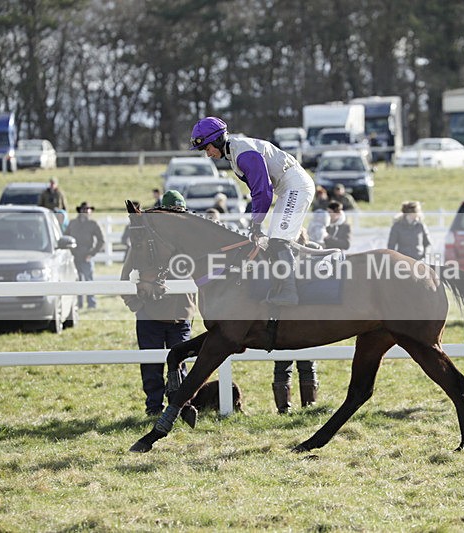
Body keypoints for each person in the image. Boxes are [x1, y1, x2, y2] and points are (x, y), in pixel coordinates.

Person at [189, 116, 315, 306]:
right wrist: (255, 222)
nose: (208, 154)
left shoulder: (243, 154)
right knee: (275, 241)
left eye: (207, 148)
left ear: (217, 140)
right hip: (288, 188)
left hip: (295, 186)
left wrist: (256, 224)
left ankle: (289, 293)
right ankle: (288, 283)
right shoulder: (233, 152)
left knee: (278, 240)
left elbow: (263, 191)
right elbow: (259, 192)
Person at [121, 191, 198, 419]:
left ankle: (179, 406)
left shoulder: (192, 244)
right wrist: (135, 304)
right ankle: (154, 408)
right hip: (150, 316)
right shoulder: (145, 243)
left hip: (181, 314)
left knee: (180, 366)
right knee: (152, 366)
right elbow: (125, 276)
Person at [271, 228, 321, 413]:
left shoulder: (311, 251)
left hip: (297, 314)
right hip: (289, 315)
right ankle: (291, 407)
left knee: (299, 363)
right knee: (287, 363)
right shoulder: (277, 255)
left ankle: (301, 406)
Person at [66, 201, 105, 309]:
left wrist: (92, 254)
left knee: (89, 280)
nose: (86, 211)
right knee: (76, 280)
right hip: (74, 256)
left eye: (88, 209)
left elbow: (101, 241)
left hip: (86, 256)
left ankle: (91, 303)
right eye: (84, 209)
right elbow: (66, 238)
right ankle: (78, 304)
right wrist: (69, 252)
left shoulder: (93, 224)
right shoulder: (72, 223)